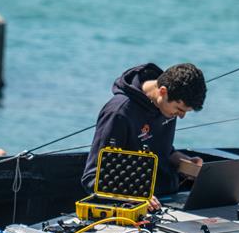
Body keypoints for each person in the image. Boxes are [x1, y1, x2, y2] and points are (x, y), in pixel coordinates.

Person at [81, 63, 207, 211]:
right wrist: (134, 195)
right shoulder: (118, 112)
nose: (182, 116)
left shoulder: (165, 106)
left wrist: (185, 163)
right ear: (163, 91)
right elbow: (91, 177)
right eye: (179, 110)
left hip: (170, 198)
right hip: (136, 208)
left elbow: (163, 152)